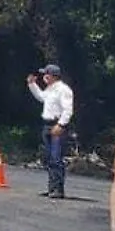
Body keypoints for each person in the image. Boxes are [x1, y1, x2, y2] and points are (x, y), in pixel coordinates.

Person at [26, 64, 74, 199]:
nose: (44, 77)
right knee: (48, 157)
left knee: (56, 158)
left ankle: (58, 189)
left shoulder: (63, 90)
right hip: (47, 125)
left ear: (53, 75)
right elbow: (41, 97)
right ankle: (51, 187)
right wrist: (32, 85)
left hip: (57, 124)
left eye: (46, 74)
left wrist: (61, 125)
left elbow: (68, 110)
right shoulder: (50, 89)